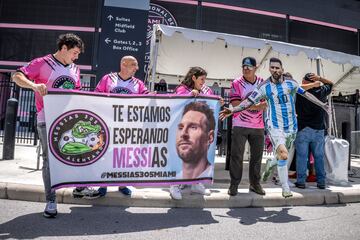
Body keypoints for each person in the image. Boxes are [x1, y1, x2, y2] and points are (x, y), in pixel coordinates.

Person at [219, 57, 329, 198]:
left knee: (269, 157)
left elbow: (303, 92)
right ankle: (280, 187)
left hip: (276, 127)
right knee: (245, 156)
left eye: (277, 68)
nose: (275, 70)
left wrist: (321, 103)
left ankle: (263, 174)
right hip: (258, 125)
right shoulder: (255, 85)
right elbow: (243, 102)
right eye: (272, 68)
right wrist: (236, 110)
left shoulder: (282, 83)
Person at [12, 33, 89, 217]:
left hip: (69, 121)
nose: (76, 57)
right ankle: (51, 200)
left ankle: (79, 188)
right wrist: (34, 85)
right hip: (46, 119)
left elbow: (76, 94)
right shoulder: (42, 63)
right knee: (49, 160)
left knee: (78, 153)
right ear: (64, 48)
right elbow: (16, 76)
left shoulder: (75, 69)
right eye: (75, 52)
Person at [73, 56, 148, 198]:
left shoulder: (138, 83)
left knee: (124, 157)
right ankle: (103, 184)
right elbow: (96, 97)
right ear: (124, 64)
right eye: (134, 65)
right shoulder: (108, 79)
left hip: (127, 128)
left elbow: (146, 97)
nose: (137, 68)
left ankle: (122, 184)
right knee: (106, 156)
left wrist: (152, 96)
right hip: (107, 126)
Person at [170, 66, 222, 200]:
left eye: (205, 79)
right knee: (178, 158)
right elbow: (173, 104)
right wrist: (188, 95)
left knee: (199, 156)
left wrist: (219, 101)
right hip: (183, 130)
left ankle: (196, 184)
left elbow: (212, 102)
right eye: (201, 79)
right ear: (193, 78)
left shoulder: (206, 90)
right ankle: (174, 185)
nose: (203, 82)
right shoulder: (182, 89)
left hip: (199, 132)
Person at [228, 57, 267, 196]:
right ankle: (234, 184)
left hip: (258, 126)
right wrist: (257, 106)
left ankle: (255, 184)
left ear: (256, 67)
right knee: (236, 156)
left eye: (249, 66)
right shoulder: (236, 82)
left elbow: (267, 101)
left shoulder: (262, 82)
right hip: (240, 124)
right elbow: (236, 104)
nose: (246, 68)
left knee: (257, 157)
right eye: (244, 66)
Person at [294, 73, 333, 189]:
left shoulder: (299, 93)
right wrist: (319, 79)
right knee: (319, 157)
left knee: (302, 157)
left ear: (305, 81)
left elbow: (293, 87)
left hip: (303, 129)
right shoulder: (322, 91)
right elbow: (331, 84)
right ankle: (321, 182)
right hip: (319, 130)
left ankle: (301, 181)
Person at [176, 101, 216, 179]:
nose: (183, 134)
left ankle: (196, 184)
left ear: (210, 137)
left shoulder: (207, 173)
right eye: (181, 128)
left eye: (193, 127)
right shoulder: (174, 177)